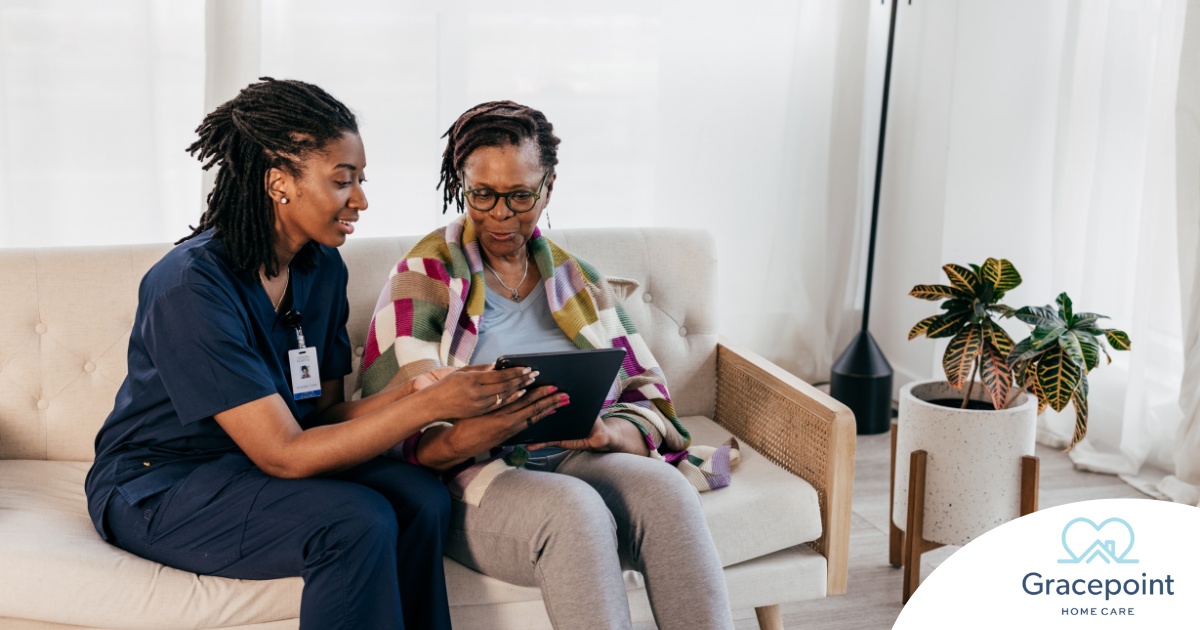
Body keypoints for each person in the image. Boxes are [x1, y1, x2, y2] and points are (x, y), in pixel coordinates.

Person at [84, 80, 565, 630]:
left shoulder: (322, 268)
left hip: (253, 467)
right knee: (354, 521)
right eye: (343, 181)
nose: (360, 199)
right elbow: (284, 454)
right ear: (278, 183)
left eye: (360, 180)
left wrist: (418, 392)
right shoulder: (190, 287)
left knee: (421, 500)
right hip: (162, 485)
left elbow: (321, 417)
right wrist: (422, 410)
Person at [358, 101, 736, 630]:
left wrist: (607, 434)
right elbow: (400, 425)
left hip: (578, 457)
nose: (500, 215)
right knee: (573, 511)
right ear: (460, 184)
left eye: (520, 196)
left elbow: (650, 397)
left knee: (667, 492)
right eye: (482, 194)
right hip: (476, 475)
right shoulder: (424, 275)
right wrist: (484, 426)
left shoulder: (576, 278)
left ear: (548, 187)